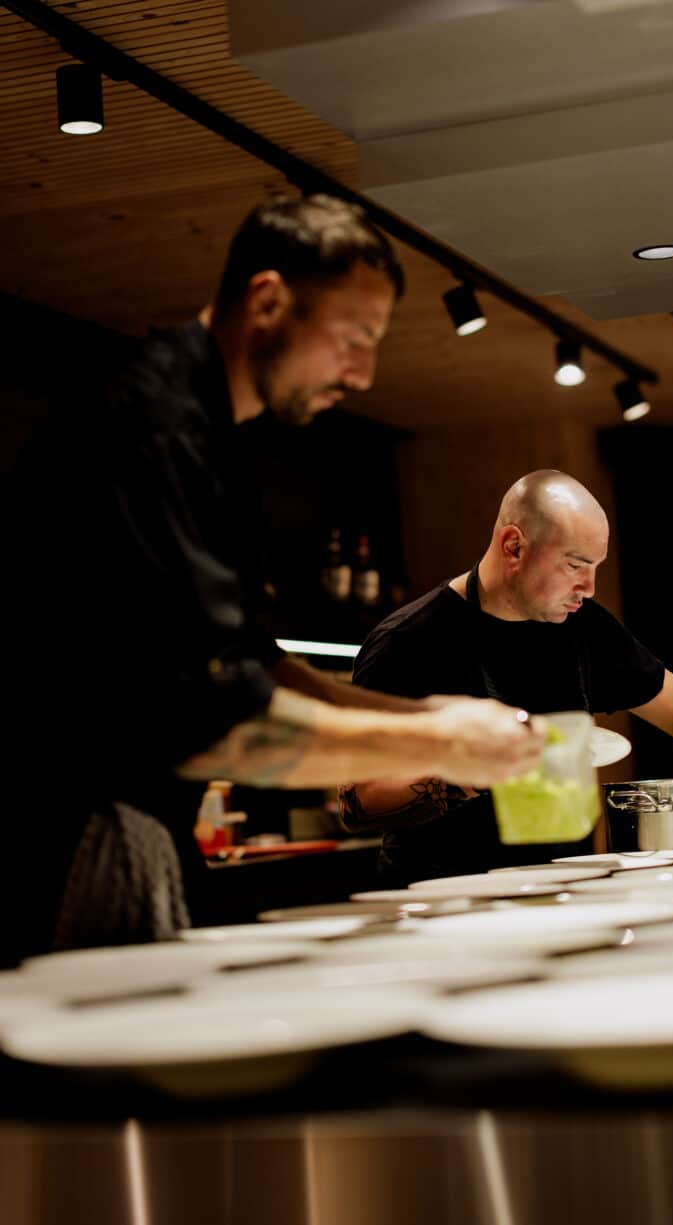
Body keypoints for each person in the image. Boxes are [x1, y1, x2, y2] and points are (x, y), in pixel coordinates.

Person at [1, 196, 543, 962]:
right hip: (54, 855)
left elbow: (260, 666)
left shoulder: (214, 436)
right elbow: (212, 720)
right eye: (354, 338)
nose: (364, 373)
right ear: (267, 301)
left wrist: (426, 715)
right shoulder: (148, 425)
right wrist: (436, 738)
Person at [340, 470, 673, 881]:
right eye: (576, 564)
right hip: (443, 898)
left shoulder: (583, 628)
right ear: (514, 546)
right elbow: (356, 801)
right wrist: (469, 771)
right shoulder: (407, 641)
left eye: (595, 566)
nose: (589, 587)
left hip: (564, 882)